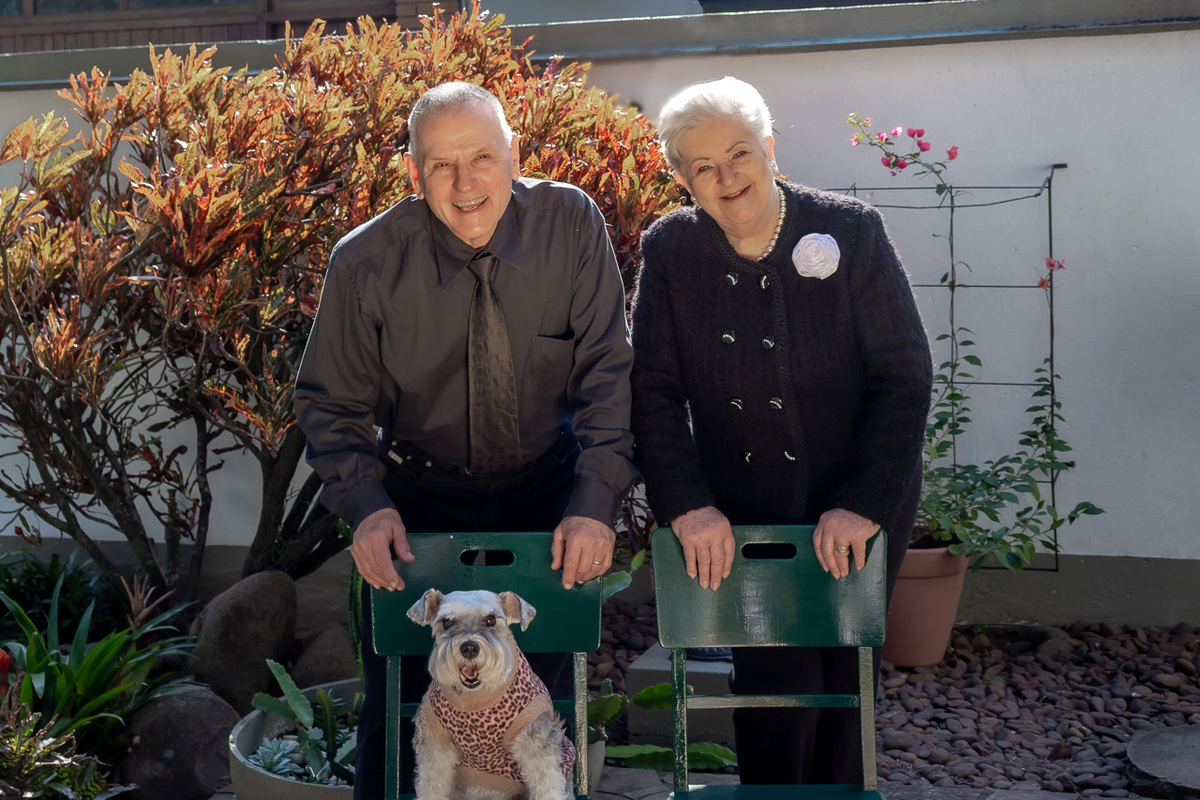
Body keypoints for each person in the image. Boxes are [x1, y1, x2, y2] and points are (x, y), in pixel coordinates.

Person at [293, 81, 637, 799]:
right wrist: (366, 504)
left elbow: (608, 372)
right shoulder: (364, 263)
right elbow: (332, 401)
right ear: (415, 175)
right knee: (403, 722)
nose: (465, 183)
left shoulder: (571, 224)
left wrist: (596, 499)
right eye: (442, 166)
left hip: (548, 500)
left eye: (482, 157)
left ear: (513, 154)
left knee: (546, 718)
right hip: (419, 505)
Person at [630, 76, 933, 785]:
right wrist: (687, 504)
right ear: (682, 178)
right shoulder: (672, 250)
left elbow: (905, 376)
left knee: (846, 682)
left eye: (739, 153)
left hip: (856, 495)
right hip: (746, 509)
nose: (725, 176)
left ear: (769, 148)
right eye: (702, 166)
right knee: (774, 692)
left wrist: (862, 504)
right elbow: (650, 391)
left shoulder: (850, 230)